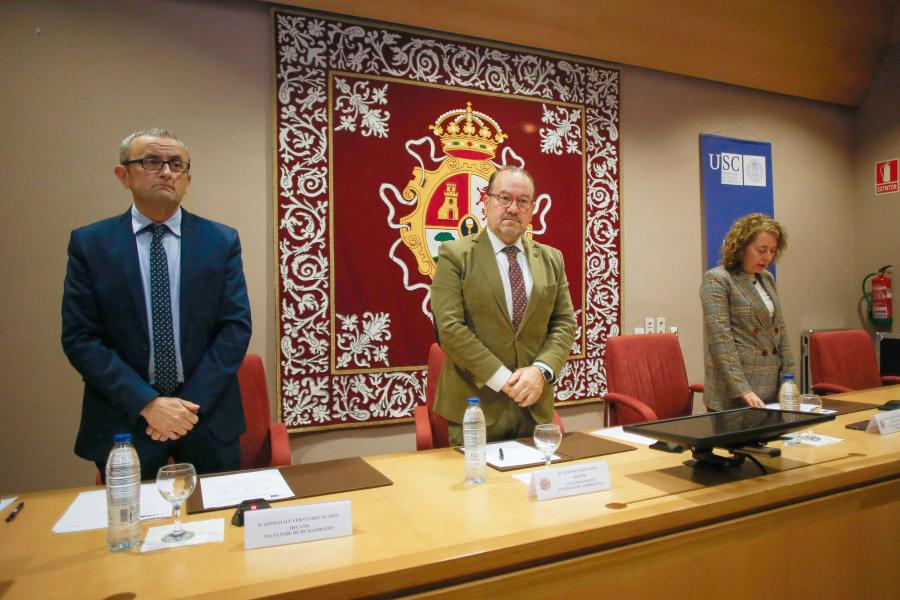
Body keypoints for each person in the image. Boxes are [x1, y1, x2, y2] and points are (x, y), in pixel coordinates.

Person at [62, 128, 252, 479]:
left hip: (205, 418)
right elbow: (81, 338)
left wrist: (185, 410)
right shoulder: (91, 245)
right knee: (131, 527)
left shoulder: (220, 241)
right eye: (152, 161)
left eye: (176, 164)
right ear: (124, 175)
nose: (166, 172)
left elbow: (235, 329)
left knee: (218, 526)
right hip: (126, 421)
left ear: (187, 179)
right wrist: (148, 404)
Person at [430, 166, 576, 444]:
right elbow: (449, 329)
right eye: (504, 198)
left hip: (534, 407)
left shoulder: (552, 259)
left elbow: (564, 323)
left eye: (522, 201)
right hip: (475, 408)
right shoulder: (454, 255)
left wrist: (540, 371)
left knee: (534, 484)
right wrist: (504, 380)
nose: (512, 208)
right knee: (479, 487)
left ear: (532, 209)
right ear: (486, 203)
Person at [700, 213, 795, 411]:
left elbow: (781, 332)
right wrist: (743, 390)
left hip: (770, 389)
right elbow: (721, 342)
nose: (767, 257)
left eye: (772, 250)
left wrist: (789, 379)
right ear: (742, 246)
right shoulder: (718, 279)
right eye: (762, 250)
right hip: (735, 392)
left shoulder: (767, 278)